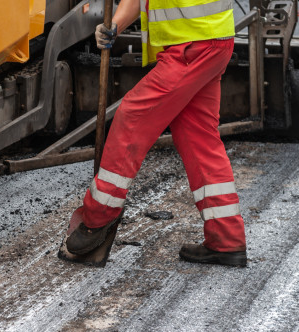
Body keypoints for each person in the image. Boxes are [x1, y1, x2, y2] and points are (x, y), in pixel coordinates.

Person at [65, 0, 247, 266]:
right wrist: (115, 25)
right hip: (208, 40)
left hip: (191, 46)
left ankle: (98, 216)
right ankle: (227, 239)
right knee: (199, 140)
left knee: (133, 118)